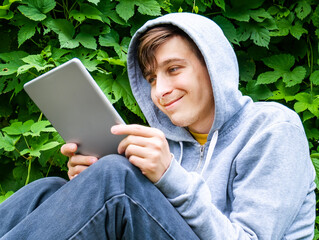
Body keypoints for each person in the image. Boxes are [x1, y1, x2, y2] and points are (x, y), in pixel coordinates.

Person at [0, 12, 316, 239]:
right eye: (151, 78)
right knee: (50, 190)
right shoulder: (165, 144)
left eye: (174, 69)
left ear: (213, 68)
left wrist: (169, 177)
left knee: (116, 178)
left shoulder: (272, 127)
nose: (159, 92)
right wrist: (85, 189)